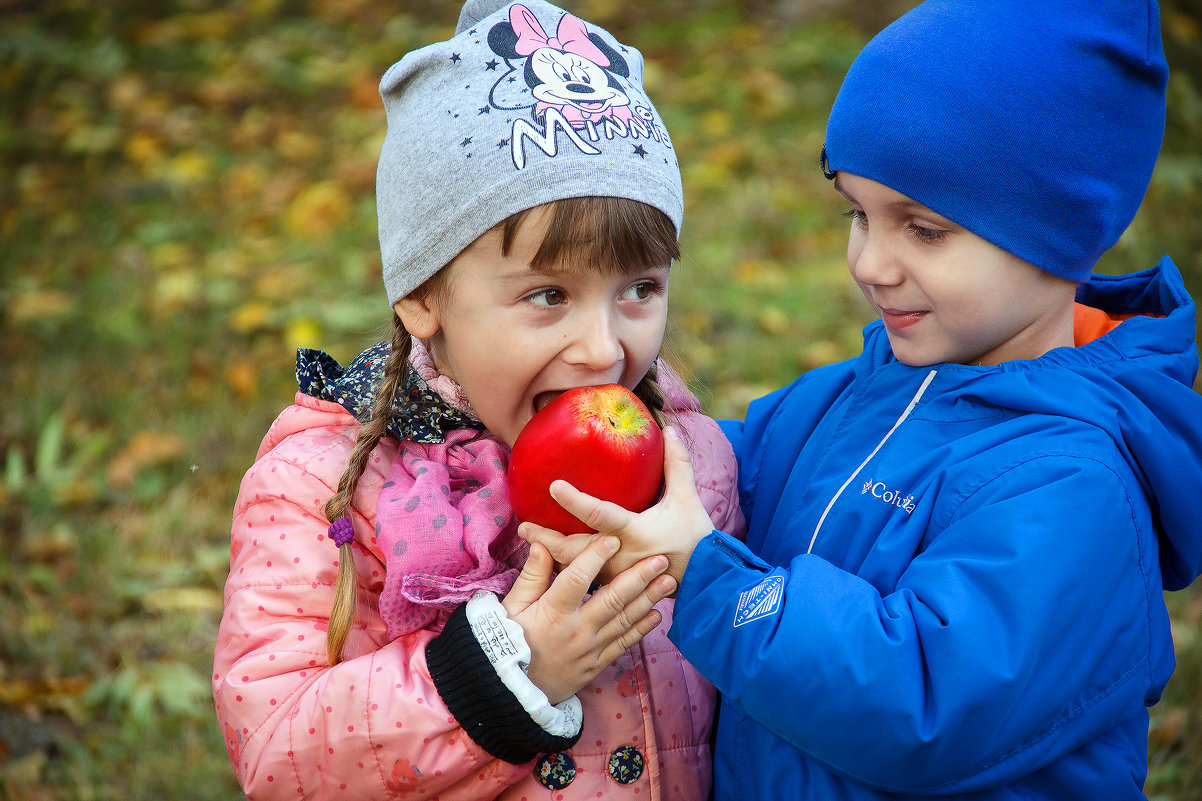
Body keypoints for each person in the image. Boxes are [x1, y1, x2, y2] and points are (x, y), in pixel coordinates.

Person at [524, 0, 1202, 798]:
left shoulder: (1075, 483)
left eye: (922, 228)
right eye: (858, 213)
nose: (870, 263)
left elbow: (919, 703)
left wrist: (706, 574)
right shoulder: (856, 399)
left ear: (1057, 234)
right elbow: (703, 465)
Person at [211, 1, 744, 798]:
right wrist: (508, 672)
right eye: (547, 294)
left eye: (639, 288)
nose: (604, 348)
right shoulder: (333, 492)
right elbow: (279, 752)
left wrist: (711, 575)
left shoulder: (690, 465)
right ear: (424, 297)